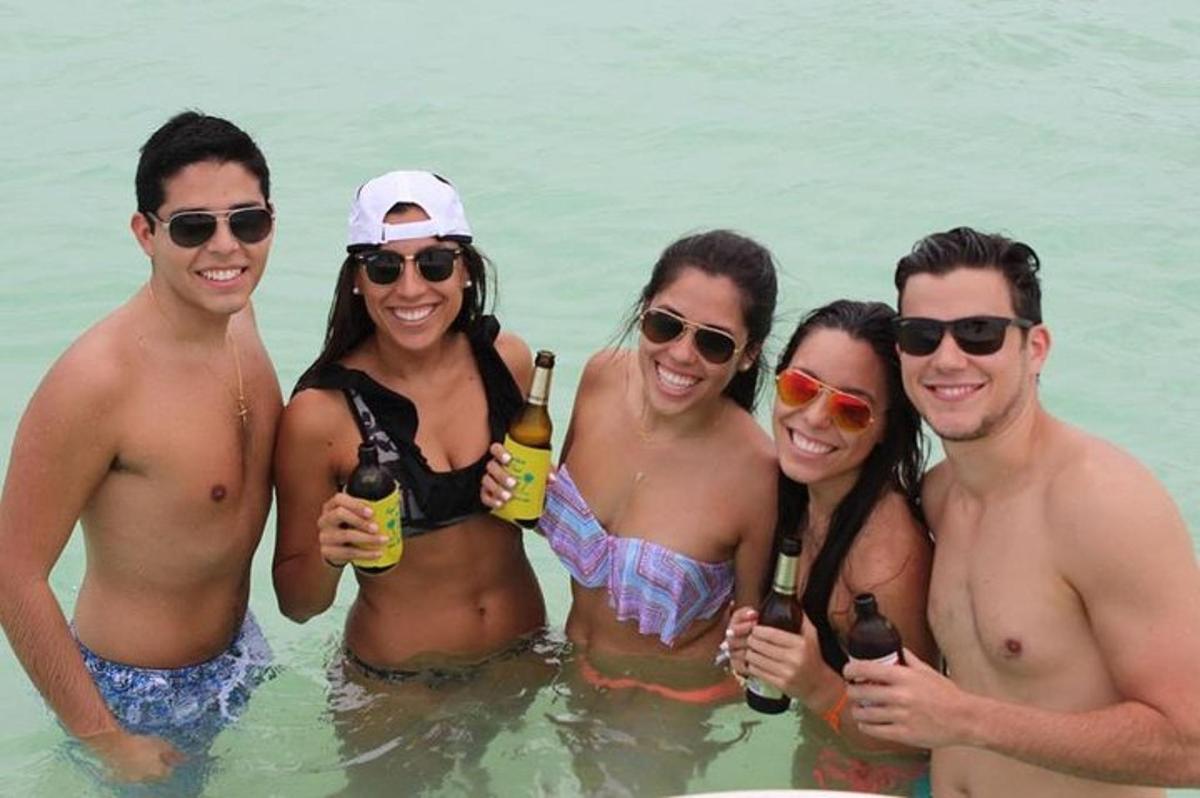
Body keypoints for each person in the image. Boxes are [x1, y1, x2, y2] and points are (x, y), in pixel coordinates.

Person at [845, 227, 1200, 796]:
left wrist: (966, 720)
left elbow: (1191, 747)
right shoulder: (938, 496)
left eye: (979, 333)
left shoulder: (1103, 504)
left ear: (1034, 348)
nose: (948, 357)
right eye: (922, 335)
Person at [0, 111, 280, 783]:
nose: (225, 247)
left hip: (240, 655)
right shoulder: (98, 381)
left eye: (247, 221)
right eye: (192, 227)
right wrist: (105, 739)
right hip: (136, 699)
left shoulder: (238, 315)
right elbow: (14, 571)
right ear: (144, 234)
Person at [272, 170, 548, 791]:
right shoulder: (321, 413)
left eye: (434, 263)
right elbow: (297, 603)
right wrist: (332, 551)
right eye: (384, 268)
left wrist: (541, 504)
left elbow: (546, 515)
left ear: (467, 270)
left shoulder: (508, 360)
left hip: (523, 660)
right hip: (397, 692)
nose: (411, 288)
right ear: (357, 282)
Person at [725, 300, 936, 793]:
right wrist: (753, 652)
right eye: (801, 386)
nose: (816, 418)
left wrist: (816, 686)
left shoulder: (885, 557)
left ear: (886, 427)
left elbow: (917, 736)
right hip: (832, 761)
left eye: (851, 409)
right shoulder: (803, 496)